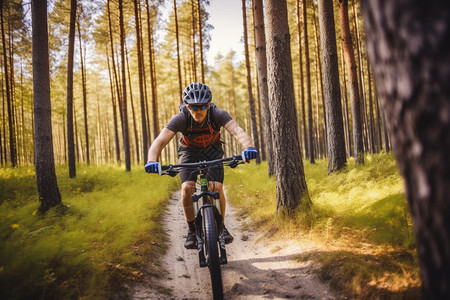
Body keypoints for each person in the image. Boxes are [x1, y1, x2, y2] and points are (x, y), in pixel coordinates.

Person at [145, 82, 258, 249]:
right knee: (187, 188)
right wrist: (152, 160)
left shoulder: (217, 113)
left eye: (202, 106)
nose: (198, 111)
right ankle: (191, 230)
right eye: (193, 107)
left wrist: (248, 148)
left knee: (216, 187)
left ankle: (220, 226)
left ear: (208, 104)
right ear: (186, 106)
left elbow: (237, 131)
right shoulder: (181, 118)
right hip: (188, 152)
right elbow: (160, 141)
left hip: (213, 150)